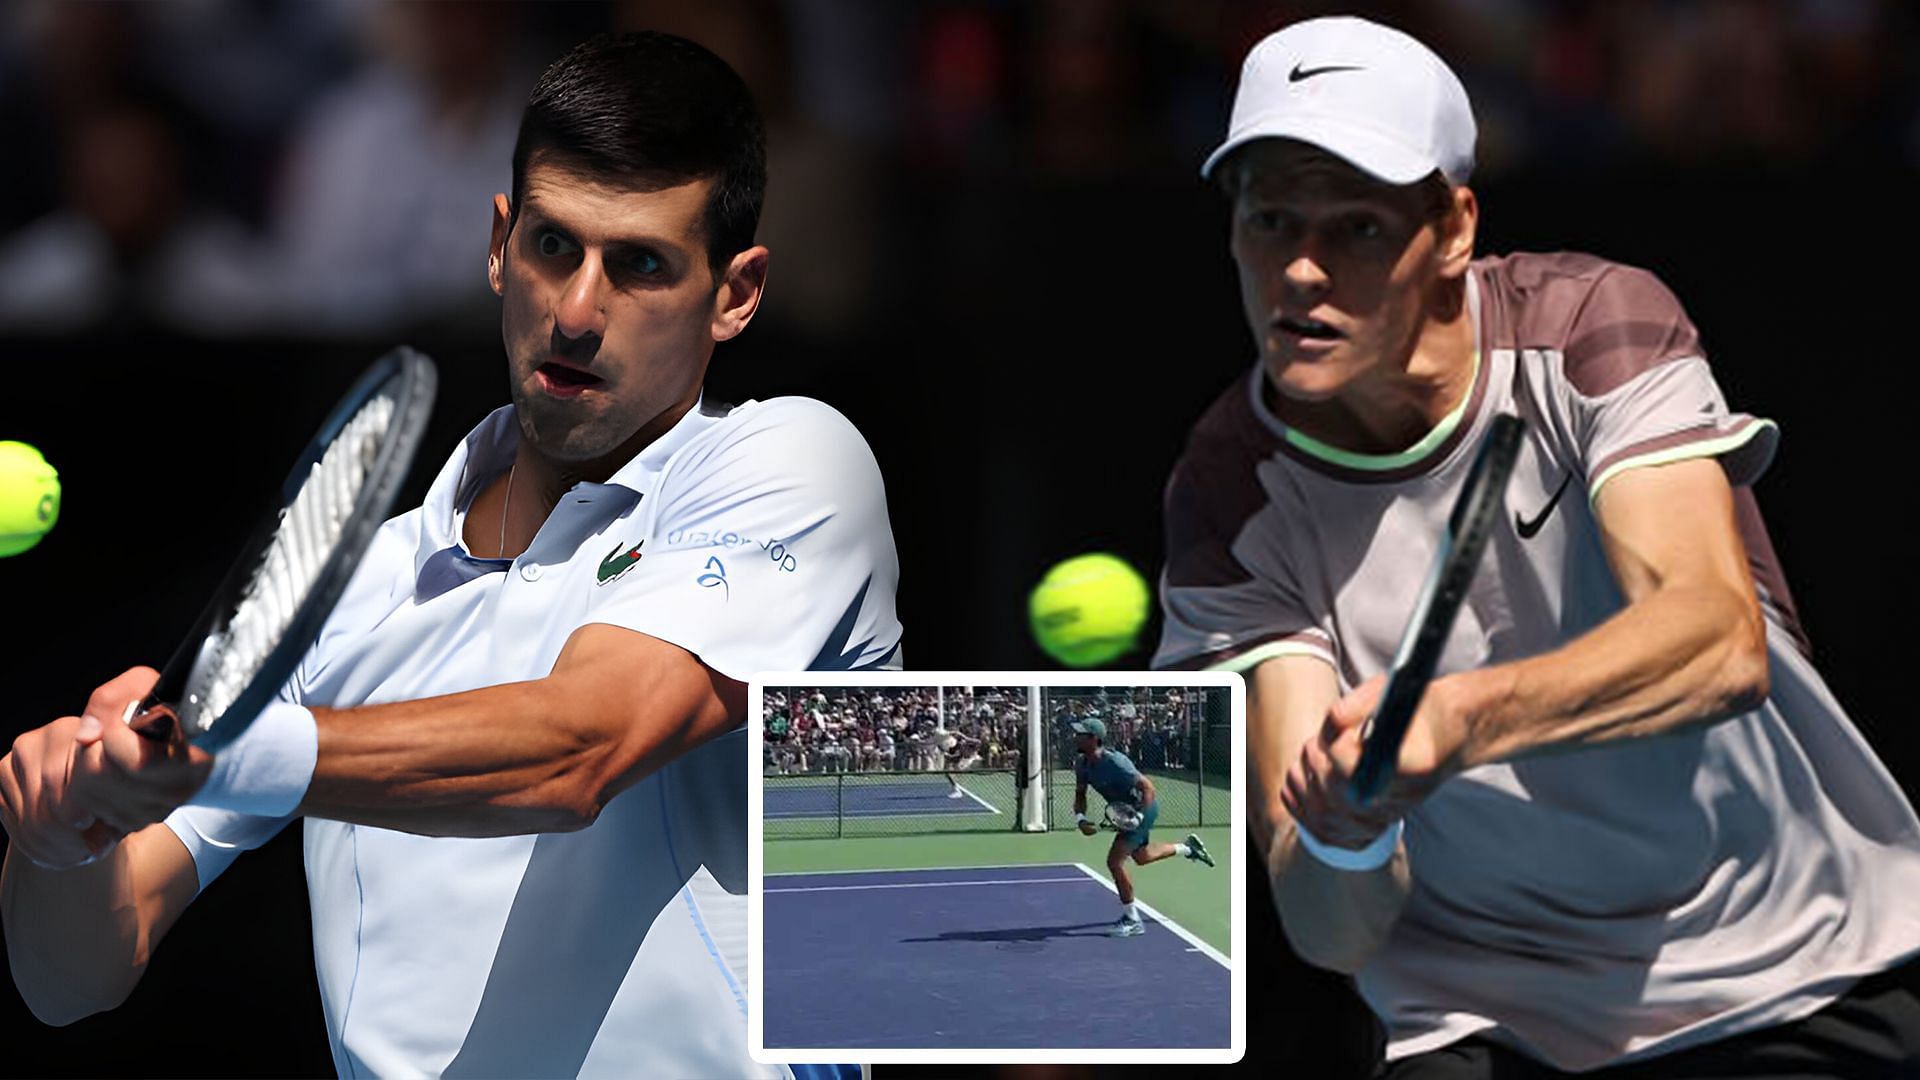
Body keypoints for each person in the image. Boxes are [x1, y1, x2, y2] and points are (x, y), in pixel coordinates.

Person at [0, 32, 899, 1079]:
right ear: (498, 243)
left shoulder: (793, 461)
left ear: (736, 294)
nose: (576, 310)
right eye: (554, 247)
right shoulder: (353, 581)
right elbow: (72, 981)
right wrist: (62, 836)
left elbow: (580, 750)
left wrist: (225, 753)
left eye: (640, 265)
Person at [1154, 15, 1920, 1077]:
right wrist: (1348, 828)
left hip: (1781, 965)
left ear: (1454, 229)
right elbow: (1329, 927)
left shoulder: (1591, 324)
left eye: (1358, 228)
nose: (1300, 273)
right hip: (1481, 1013)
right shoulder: (1227, 491)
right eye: (1270, 219)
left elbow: (1715, 641)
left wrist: (1455, 720)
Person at [1068, 717, 1213, 939]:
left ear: (1094, 739)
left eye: (1081, 734)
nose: (1075, 737)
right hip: (1125, 812)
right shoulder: (1082, 763)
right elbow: (1080, 794)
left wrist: (1139, 816)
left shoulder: (1116, 762)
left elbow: (1148, 788)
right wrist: (1080, 819)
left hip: (1143, 808)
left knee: (1114, 861)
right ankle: (1187, 848)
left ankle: (1132, 919)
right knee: (1142, 856)